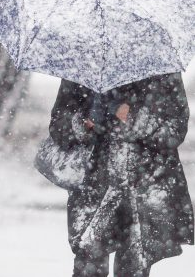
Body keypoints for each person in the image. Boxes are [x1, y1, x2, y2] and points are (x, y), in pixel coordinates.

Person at [49, 72, 194, 277]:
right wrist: (83, 123)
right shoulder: (83, 68)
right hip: (93, 189)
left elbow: (175, 130)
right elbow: (58, 125)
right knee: (88, 267)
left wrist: (132, 117)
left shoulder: (159, 70)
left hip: (143, 189)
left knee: (133, 268)